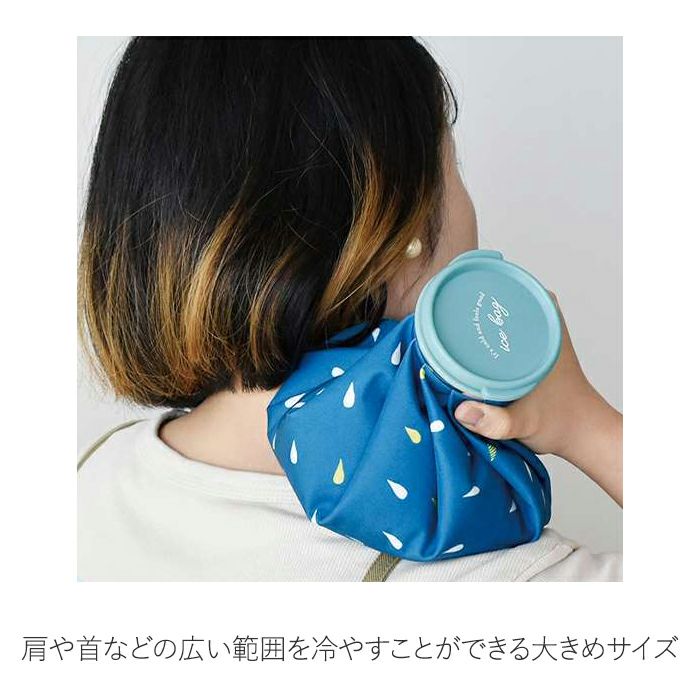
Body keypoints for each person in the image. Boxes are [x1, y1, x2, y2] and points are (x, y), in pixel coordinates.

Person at [78, 37, 622, 581]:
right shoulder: (509, 581)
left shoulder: (89, 476)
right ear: (399, 231)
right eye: (451, 162)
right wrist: (586, 426)